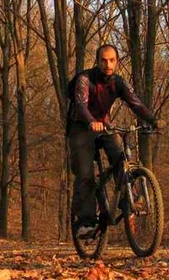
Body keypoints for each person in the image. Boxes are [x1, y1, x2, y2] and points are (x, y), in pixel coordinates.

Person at [67, 44, 160, 238]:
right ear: (97, 61)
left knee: (121, 156)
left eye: (112, 60)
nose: (108, 64)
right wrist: (91, 122)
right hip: (80, 127)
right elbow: (81, 105)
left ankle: (128, 198)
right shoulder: (84, 80)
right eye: (103, 60)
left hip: (104, 126)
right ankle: (85, 222)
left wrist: (153, 120)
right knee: (84, 173)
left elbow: (135, 103)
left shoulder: (118, 82)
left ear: (117, 62)